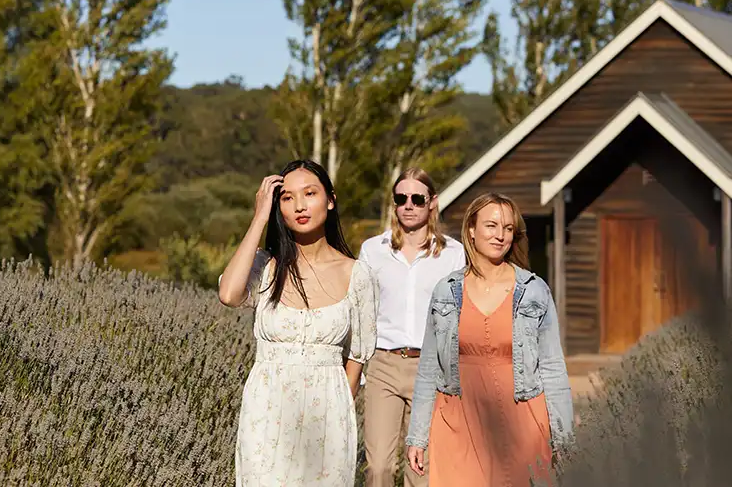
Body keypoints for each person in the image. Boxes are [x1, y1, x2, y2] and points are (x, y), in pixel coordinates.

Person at [217, 159, 378, 487]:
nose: (300, 205)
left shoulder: (358, 275)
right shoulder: (265, 268)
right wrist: (260, 216)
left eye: (310, 193)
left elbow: (358, 357)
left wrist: (337, 415)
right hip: (266, 413)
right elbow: (229, 294)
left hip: (328, 419)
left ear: (330, 200)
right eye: (287, 198)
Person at [405, 192, 574, 487]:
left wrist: (563, 438)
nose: (500, 236)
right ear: (471, 229)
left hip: (523, 421)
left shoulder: (535, 291)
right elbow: (429, 369)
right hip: (458, 421)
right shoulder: (446, 291)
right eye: (491, 226)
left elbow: (553, 369)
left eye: (508, 229)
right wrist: (417, 437)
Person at [357, 168, 465, 487]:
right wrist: (361, 369)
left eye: (417, 198)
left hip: (430, 369)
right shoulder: (372, 251)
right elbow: (363, 312)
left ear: (432, 203)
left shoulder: (454, 255)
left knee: (422, 470)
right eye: (401, 198)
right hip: (384, 365)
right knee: (378, 469)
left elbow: (459, 319)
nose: (409, 205)